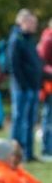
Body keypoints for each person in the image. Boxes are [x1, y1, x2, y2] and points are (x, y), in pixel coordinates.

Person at [7, 9, 43, 162]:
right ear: (23, 22)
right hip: (22, 88)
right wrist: (23, 85)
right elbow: (14, 66)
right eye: (32, 22)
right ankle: (13, 155)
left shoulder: (29, 39)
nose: (35, 25)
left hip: (33, 87)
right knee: (19, 120)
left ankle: (28, 154)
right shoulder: (16, 39)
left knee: (30, 121)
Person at [38, 18, 52, 162]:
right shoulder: (48, 39)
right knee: (49, 118)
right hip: (49, 85)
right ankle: (47, 149)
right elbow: (42, 63)